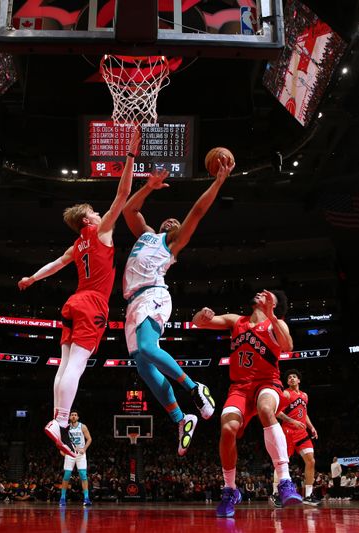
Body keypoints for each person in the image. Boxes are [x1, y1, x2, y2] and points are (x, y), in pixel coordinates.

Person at [19, 129, 140, 457]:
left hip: (73, 302)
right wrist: (130, 155)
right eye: (96, 213)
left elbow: (55, 265)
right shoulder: (100, 232)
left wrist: (32, 278)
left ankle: (55, 420)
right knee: (78, 365)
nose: (102, 215)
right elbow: (123, 193)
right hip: (93, 304)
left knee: (65, 364)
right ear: (88, 218)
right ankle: (59, 420)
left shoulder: (77, 245)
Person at [121, 157, 233, 455]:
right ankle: (182, 419)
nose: (172, 221)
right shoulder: (146, 235)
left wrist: (218, 182)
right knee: (145, 370)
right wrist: (148, 187)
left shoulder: (171, 243)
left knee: (147, 348)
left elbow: (196, 212)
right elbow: (129, 210)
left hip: (153, 294)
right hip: (132, 304)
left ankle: (194, 387)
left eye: (176, 223)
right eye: (168, 220)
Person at [191, 290, 302, 518]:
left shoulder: (276, 324)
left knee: (265, 409)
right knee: (227, 429)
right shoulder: (236, 321)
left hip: (267, 383)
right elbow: (198, 323)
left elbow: (288, 345)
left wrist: (271, 314)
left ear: (274, 304)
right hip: (239, 388)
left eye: (266, 294)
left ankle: (285, 481)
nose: (260, 293)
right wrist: (202, 315)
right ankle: (230, 489)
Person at [276, 369, 322, 506]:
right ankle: (276, 494)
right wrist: (291, 421)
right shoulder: (285, 393)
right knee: (282, 463)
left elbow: (304, 413)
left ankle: (308, 496)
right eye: (289, 377)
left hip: (302, 432)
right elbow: (277, 412)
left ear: (299, 380)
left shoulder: (304, 395)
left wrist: (311, 427)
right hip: (288, 431)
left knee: (311, 461)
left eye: (294, 377)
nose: (291, 378)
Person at [59, 411, 93, 507]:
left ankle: (86, 498)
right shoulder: (66, 428)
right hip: (70, 453)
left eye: (75, 415)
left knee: (83, 475)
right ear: (69, 417)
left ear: (77, 417)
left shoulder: (83, 426)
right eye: (72, 415)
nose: (73, 416)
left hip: (80, 454)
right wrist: (61, 450)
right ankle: (62, 498)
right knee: (67, 475)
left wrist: (84, 449)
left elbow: (89, 439)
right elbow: (60, 441)